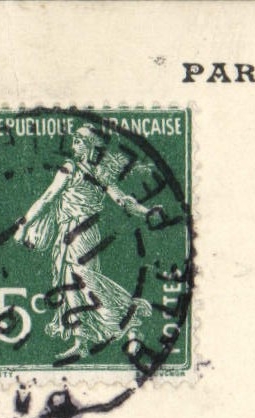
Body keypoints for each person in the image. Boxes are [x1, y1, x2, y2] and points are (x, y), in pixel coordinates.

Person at [13, 124, 154, 351]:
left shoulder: (75, 169)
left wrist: (23, 224)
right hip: (73, 232)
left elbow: (47, 198)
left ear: (90, 145)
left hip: (79, 232)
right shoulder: (98, 172)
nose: (74, 144)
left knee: (84, 279)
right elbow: (122, 200)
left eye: (79, 140)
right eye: (74, 139)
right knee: (70, 283)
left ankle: (130, 315)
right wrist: (146, 212)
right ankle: (81, 341)